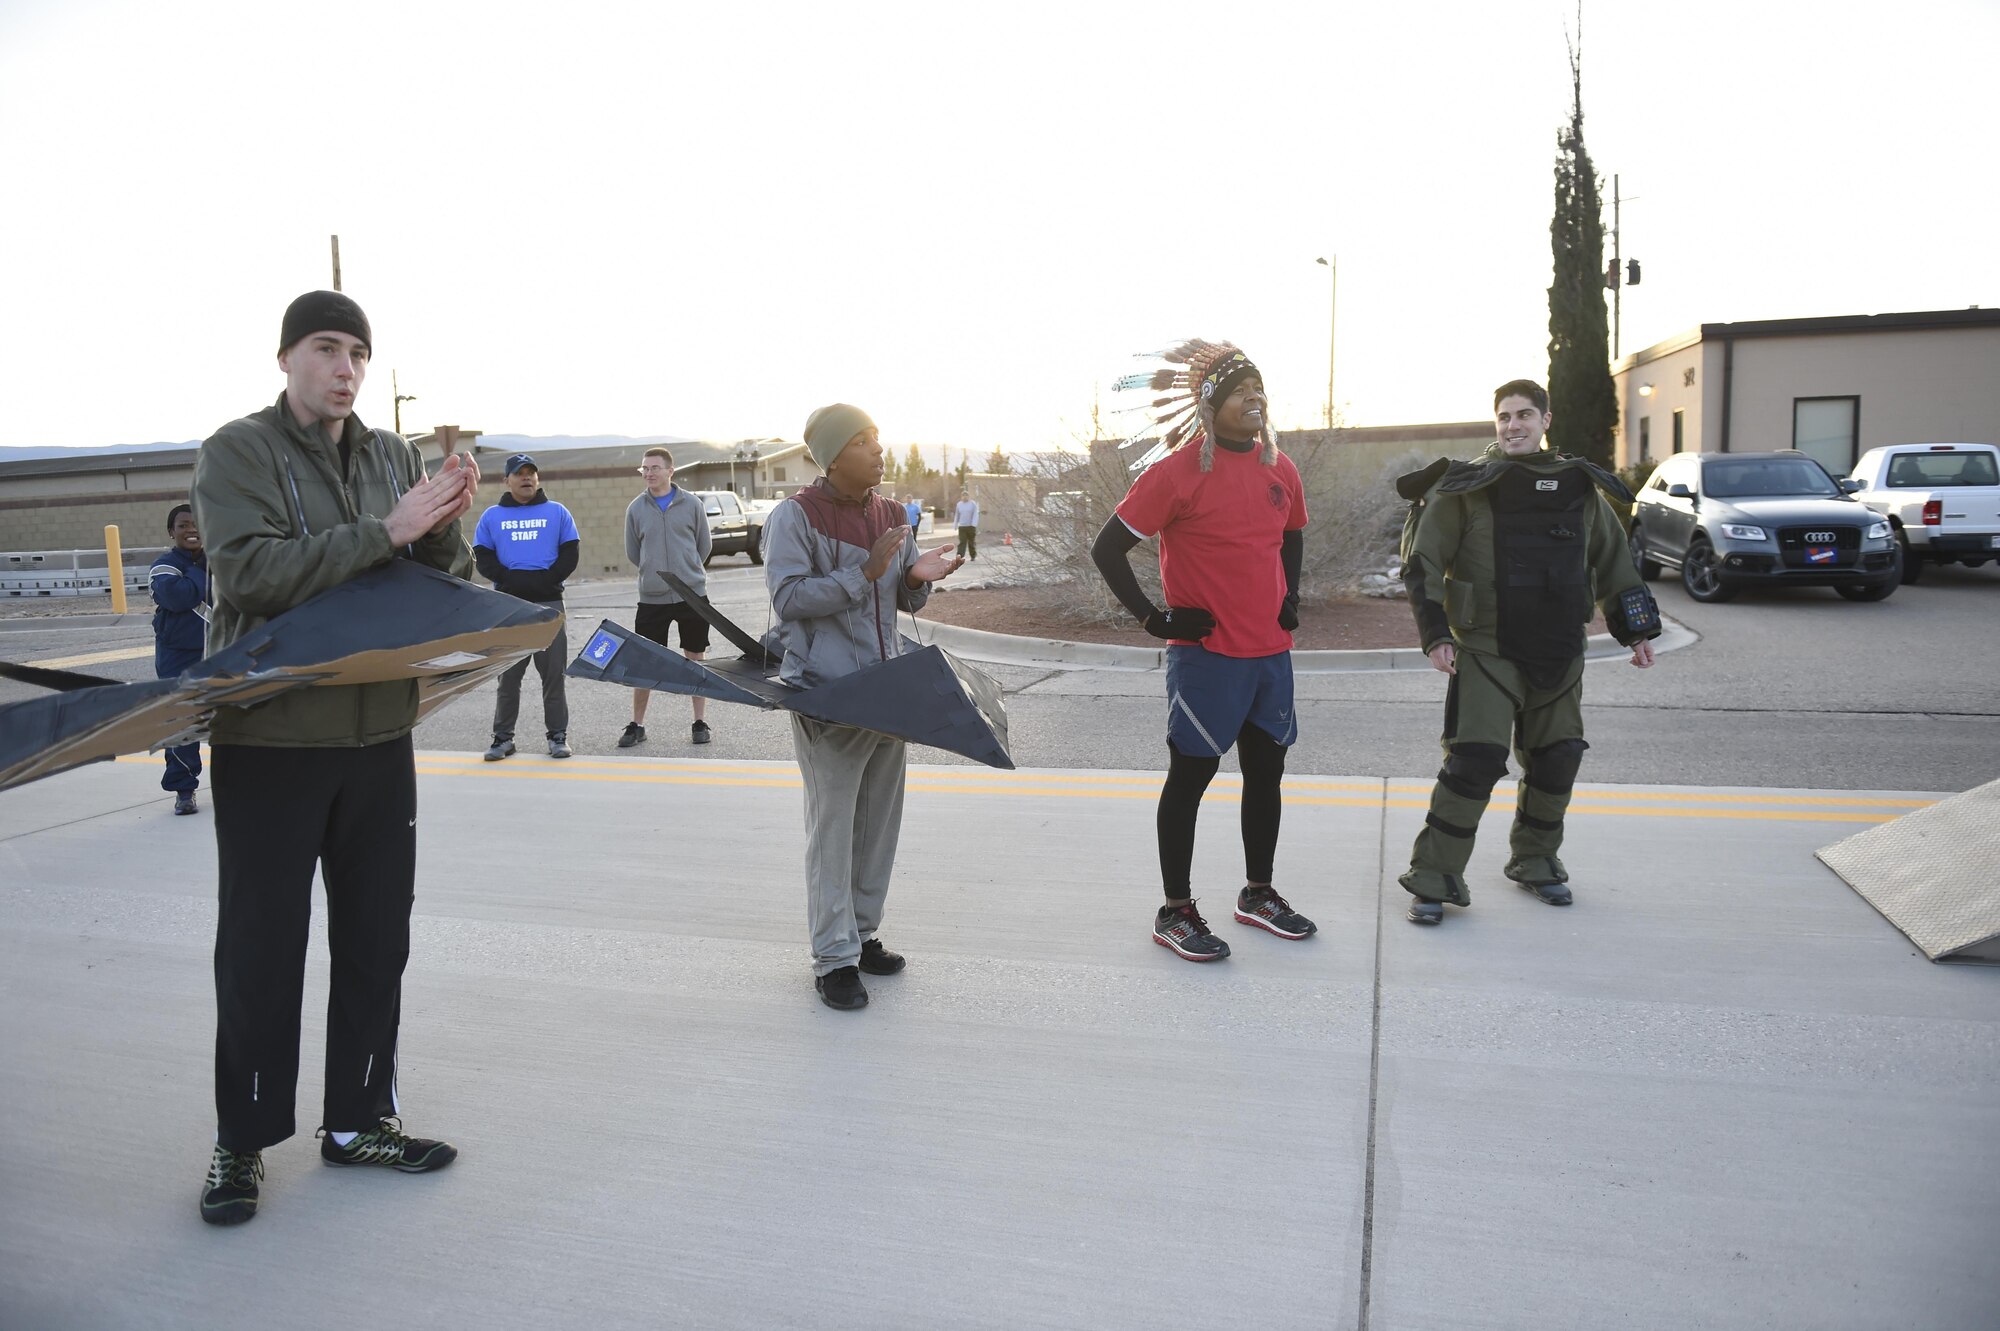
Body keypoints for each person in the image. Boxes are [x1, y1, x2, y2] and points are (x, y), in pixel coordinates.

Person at [189, 290, 473, 1226]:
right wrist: (384, 532)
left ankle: (358, 1120)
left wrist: (437, 526)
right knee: (263, 950)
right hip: (272, 739)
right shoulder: (240, 451)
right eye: (325, 347)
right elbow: (252, 574)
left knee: (375, 941)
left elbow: (440, 583)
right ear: (286, 359)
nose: (346, 367)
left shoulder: (391, 457)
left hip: (378, 737)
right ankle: (243, 1139)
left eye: (357, 350)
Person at [1396, 378, 1661, 925]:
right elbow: (1422, 563)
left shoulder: (1577, 488)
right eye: (1503, 416)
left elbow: (1614, 562)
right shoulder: (1465, 486)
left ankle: (1536, 861)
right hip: (1489, 651)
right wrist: (1436, 635)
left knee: (1557, 758)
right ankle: (1435, 876)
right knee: (1474, 762)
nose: (1512, 425)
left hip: (1561, 651)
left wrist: (1636, 630)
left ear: (1545, 421)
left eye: (1523, 415)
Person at [1090, 343, 1317, 962]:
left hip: (1270, 655)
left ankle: (1258, 894)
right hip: (1207, 657)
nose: (1254, 397)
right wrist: (1154, 618)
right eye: (1240, 388)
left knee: (1266, 776)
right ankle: (1175, 909)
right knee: (1191, 779)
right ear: (1209, 404)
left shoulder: (1282, 469)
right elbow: (1107, 549)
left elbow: (1291, 534)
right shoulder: (1174, 472)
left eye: (1259, 387)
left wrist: (1290, 595)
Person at [765, 405, 963, 1010]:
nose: (878, 451)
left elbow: (896, 595)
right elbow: (789, 597)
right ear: (831, 455)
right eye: (862, 441)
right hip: (827, 692)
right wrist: (867, 571)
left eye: (878, 439)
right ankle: (833, 958)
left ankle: (864, 934)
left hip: (886, 689)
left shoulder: (888, 513)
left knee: (879, 822)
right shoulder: (794, 516)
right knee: (833, 827)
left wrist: (915, 578)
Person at [474, 454, 579, 760]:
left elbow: (570, 555)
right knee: (507, 677)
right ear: (506, 480)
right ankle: (503, 739)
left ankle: (557, 736)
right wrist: (509, 579)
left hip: (549, 606)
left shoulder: (557, 512)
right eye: (519, 474)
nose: (526, 478)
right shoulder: (491, 517)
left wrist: (546, 580)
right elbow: (484, 558)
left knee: (553, 677)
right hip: (508, 608)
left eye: (531, 473)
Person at [623, 447, 713, 747]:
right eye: (645, 468)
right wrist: (655, 574)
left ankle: (700, 722)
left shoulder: (692, 505)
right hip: (652, 598)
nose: (649, 473)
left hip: (692, 595)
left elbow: (703, 546)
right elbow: (634, 553)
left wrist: (686, 573)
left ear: (670, 471)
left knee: (695, 659)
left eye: (654, 468)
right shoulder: (635, 509)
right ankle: (637, 725)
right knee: (645, 663)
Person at [149, 503, 208, 814]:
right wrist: (201, 572)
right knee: (182, 723)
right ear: (172, 532)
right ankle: (184, 790)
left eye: (196, 524)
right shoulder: (163, 566)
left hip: (222, 652)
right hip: (178, 657)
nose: (191, 529)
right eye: (183, 525)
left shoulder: (223, 562)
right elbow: (177, 596)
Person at [953, 488, 980, 561]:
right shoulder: (959, 504)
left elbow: (975, 514)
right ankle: (960, 556)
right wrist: (955, 524)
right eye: (963, 496)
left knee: (971, 542)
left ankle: (973, 555)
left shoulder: (972, 504)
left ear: (968, 496)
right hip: (962, 526)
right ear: (961, 497)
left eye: (966, 496)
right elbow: (957, 515)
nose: (965, 497)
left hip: (970, 526)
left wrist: (973, 524)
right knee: (962, 541)